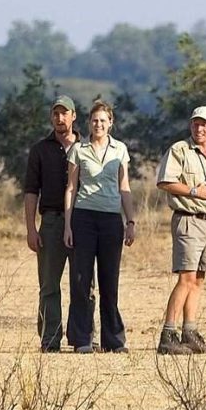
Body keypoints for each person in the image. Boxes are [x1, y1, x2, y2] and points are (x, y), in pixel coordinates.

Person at [155, 105, 206, 356]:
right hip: (188, 219)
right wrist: (195, 191)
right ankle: (168, 334)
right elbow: (165, 181)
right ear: (191, 125)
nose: (199, 128)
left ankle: (190, 332)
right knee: (185, 279)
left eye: (204, 124)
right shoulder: (179, 150)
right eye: (196, 123)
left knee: (199, 279)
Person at [64, 100, 136, 354]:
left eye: (103, 120)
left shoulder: (120, 150)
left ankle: (113, 340)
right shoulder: (78, 150)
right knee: (82, 280)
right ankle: (82, 338)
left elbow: (124, 187)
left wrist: (130, 221)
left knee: (109, 281)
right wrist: (68, 225)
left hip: (110, 219)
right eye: (95, 120)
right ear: (89, 123)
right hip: (84, 218)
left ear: (111, 123)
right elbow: (71, 188)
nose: (98, 125)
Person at [24, 95, 81, 353]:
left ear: (74, 116)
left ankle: (82, 337)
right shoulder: (40, 150)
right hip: (50, 222)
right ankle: (50, 338)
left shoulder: (87, 148)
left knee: (84, 283)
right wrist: (31, 229)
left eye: (64, 113)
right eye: (56, 113)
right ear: (51, 117)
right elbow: (30, 191)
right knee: (49, 284)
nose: (60, 118)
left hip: (82, 221)